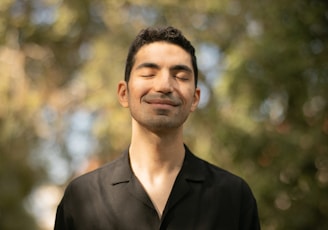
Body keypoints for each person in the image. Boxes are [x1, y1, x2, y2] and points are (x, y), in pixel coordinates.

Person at [54, 26, 261, 230]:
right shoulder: (82, 197)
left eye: (180, 76)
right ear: (124, 93)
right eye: (148, 74)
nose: (164, 86)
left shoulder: (232, 196)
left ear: (195, 99)